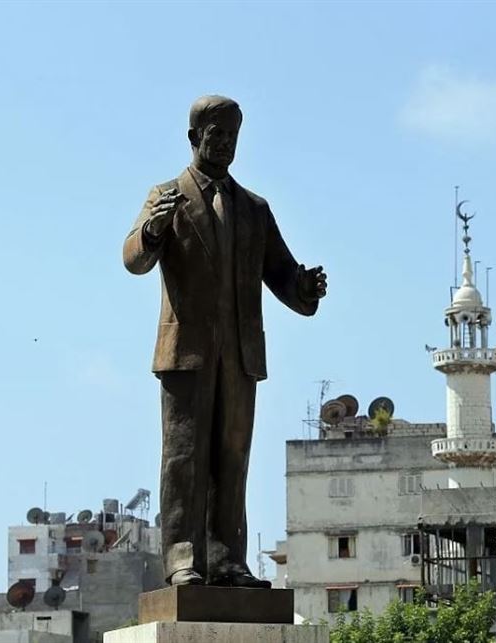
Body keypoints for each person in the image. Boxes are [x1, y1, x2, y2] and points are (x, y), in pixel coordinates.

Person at [123, 95, 327, 587]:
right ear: (194, 138)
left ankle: (227, 558)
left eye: (233, 137)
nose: (225, 145)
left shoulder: (254, 209)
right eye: (217, 136)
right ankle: (182, 558)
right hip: (186, 354)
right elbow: (133, 257)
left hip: (240, 353)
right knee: (184, 458)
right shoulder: (166, 195)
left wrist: (304, 287)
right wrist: (153, 230)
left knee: (233, 458)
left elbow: (282, 272)